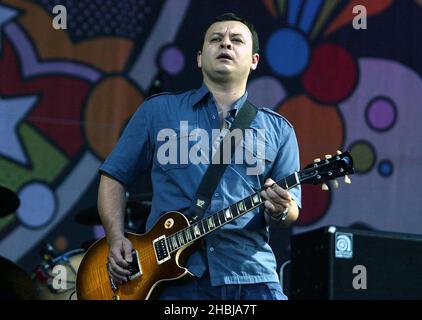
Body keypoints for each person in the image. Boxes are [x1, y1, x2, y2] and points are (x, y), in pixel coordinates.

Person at [98, 12, 301, 300]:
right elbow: (113, 177)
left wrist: (280, 208)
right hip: (170, 281)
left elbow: (291, 212)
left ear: (254, 60)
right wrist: (116, 238)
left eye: (236, 40)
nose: (226, 45)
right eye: (216, 39)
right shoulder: (158, 111)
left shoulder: (278, 129)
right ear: (199, 57)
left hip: (251, 275)